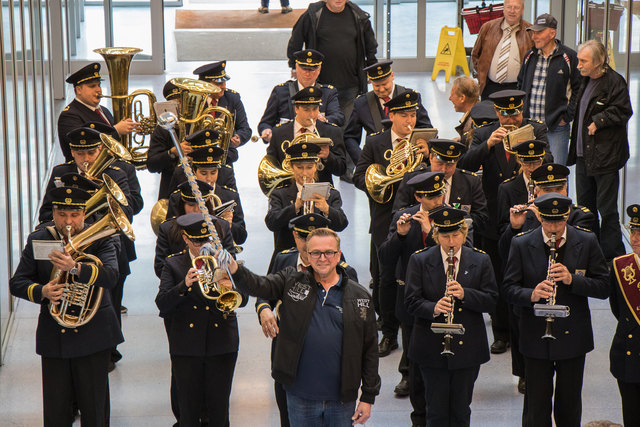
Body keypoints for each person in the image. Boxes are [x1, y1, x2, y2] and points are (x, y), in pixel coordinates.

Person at [223, 227, 380, 426]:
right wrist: (235, 269)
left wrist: (368, 396)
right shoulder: (291, 281)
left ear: (338, 254)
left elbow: (370, 349)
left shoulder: (359, 296)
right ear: (307, 255)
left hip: (342, 399)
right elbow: (258, 285)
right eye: (315, 252)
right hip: (300, 396)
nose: (322, 258)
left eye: (329, 252)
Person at [10, 186, 122, 426]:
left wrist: (76, 268)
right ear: (53, 213)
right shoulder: (39, 239)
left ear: (84, 214)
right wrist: (42, 291)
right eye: (62, 215)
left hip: (94, 336)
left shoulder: (100, 239)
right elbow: (17, 283)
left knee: (94, 410)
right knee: (56, 410)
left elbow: (112, 276)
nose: (68, 221)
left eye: (74, 215)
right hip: (55, 336)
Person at [502, 193, 609, 427]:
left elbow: (603, 287)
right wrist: (531, 294)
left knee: (569, 405)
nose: (554, 228)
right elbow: (508, 289)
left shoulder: (587, 240)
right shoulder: (521, 243)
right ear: (539, 218)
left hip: (573, 336)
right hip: (535, 334)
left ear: (567, 217)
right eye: (549, 222)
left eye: (559, 222)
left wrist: (573, 280)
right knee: (536, 407)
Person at [457, 89, 548, 355]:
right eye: (505, 114)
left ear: (522, 111)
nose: (511, 120)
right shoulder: (485, 132)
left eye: (516, 113)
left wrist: (528, 151)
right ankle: (501, 332)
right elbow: (464, 162)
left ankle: (526, 328)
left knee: (526, 273)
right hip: (494, 215)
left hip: (530, 217)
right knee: (496, 275)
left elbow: (550, 163)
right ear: (497, 114)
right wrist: (487, 146)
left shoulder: (536, 131)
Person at [255, 213, 358, 427]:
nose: (306, 244)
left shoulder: (338, 264)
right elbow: (265, 290)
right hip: (288, 347)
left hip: (327, 357)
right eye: (303, 237)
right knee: (288, 411)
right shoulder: (283, 258)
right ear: (294, 236)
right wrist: (264, 308)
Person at [404, 207, 498, 426]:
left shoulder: (480, 260)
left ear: (464, 234)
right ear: (436, 236)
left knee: (460, 410)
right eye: (445, 236)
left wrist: (466, 294)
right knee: (435, 411)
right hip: (430, 345)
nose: (451, 241)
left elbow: (492, 299)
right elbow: (410, 301)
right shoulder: (420, 260)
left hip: (467, 347)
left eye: (456, 235)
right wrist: (434, 308)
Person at [155, 212, 247, 427]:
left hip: (222, 342)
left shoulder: (225, 260)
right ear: (186, 239)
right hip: (187, 345)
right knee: (188, 410)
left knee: (219, 409)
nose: (202, 246)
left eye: (207, 240)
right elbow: (162, 304)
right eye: (197, 241)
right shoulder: (174, 264)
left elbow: (243, 300)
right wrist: (184, 285)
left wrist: (231, 284)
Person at [353, 90, 422, 359]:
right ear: (390, 115)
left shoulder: (421, 142)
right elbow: (360, 177)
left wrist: (425, 159)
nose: (410, 121)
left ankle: (412, 328)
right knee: (384, 278)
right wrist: (385, 180)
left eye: (413, 115)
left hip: (415, 220)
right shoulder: (376, 142)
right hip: (384, 218)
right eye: (404, 115)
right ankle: (389, 333)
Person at [379, 171, 446, 424]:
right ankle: (419, 416)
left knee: (443, 361)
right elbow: (385, 259)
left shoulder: (453, 218)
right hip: (412, 302)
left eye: (440, 194)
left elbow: (466, 254)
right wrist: (400, 235)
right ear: (419, 197)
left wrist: (431, 233)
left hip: (444, 301)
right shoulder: (402, 216)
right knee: (416, 361)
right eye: (432, 197)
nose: (439, 200)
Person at [567, 39, 632, 262]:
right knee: (586, 210)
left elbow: (624, 111)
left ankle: (613, 259)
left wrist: (600, 120)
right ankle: (591, 255)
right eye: (578, 60)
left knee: (607, 211)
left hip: (605, 159)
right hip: (584, 157)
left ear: (599, 62)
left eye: (583, 61)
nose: (578, 65)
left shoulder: (614, 82)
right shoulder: (585, 80)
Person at [286, 0, 378, 122]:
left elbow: (370, 45)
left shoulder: (359, 16)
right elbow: (296, 40)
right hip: (320, 87)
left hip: (351, 86)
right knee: (322, 128)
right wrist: (294, 65)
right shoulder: (313, 15)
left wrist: (372, 67)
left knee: (348, 129)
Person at [518, 14, 580, 165]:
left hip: (556, 128)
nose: (534, 37)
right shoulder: (530, 56)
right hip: (529, 126)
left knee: (556, 172)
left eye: (538, 32)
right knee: (530, 170)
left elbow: (579, 89)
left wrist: (566, 116)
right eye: (533, 32)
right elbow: (520, 84)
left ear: (552, 33)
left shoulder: (569, 57)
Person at [265, 142, 348, 257]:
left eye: (309, 167)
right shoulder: (279, 194)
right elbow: (271, 224)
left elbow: (342, 224)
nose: (304, 173)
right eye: (299, 167)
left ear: (316, 166)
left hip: (323, 257)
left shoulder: (331, 194)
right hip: (289, 256)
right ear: (291, 167)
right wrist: (295, 207)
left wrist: (327, 209)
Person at [393, 139, 489, 237]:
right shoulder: (413, 178)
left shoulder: (470, 181)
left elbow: (482, 219)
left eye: (449, 165)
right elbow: (398, 213)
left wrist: (454, 215)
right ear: (430, 158)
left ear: (457, 162)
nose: (443, 170)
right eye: (439, 164)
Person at [344, 60, 432, 166]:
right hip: (376, 161)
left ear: (392, 76)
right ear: (370, 81)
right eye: (376, 86)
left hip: (408, 160)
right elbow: (350, 137)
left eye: (385, 84)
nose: (381, 89)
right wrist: (363, 161)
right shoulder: (362, 103)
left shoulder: (411, 97)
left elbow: (426, 128)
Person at [166, 146, 247, 247]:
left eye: (213, 173)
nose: (209, 178)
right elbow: (169, 235)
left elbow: (242, 237)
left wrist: (229, 224)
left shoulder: (231, 196)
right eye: (203, 173)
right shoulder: (178, 197)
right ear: (194, 171)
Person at [57, 62, 139, 162]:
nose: (98, 90)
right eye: (92, 86)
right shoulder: (69, 116)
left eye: (99, 85)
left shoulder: (104, 110)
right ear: (78, 90)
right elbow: (84, 147)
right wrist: (117, 130)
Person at [258, 49, 344, 142]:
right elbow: (265, 122)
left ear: (319, 70)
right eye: (304, 69)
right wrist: (266, 130)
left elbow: (338, 117)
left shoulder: (328, 93)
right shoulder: (280, 92)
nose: (307, 73)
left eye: (312, 70)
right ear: (296, 67)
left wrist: (324, 119)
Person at [267, 86, 347, 184]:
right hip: (287, 190)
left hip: (320, 191)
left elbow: (341, 170)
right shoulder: (279, 132)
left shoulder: (332, 131)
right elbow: (271, 164)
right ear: (296, 109)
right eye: (306, 110)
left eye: (315, 109)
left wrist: (328, 156)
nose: (312, 115)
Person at [609, 204, 640, 427]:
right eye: (633, 231)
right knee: (631, 415)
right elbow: (618, 309)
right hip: (628, 357)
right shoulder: (620, 266)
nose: (635, 238)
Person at [471, 0, 533, 99]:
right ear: (503, 9)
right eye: (509, 7)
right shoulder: (488, 27)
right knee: (488, 114)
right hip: (489, 87)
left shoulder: (530, 31)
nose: (512, 11)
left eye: (516, 8)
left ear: (522, 10)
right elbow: (475, 54)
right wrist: (480, 75)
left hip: (517, 89)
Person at [193, 60, 252, 162]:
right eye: (218, 83)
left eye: (224, 82)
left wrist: (239, 137)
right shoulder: (194, 100)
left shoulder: (232, 98)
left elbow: (245, 129)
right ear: (205, 84)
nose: (223, 87)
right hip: (197, 153)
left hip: (225, 155)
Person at [450, 76, 480, 147]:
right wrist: (461, 139)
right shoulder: (479, 111)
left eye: (452, 95)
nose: (450, 98)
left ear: (462, 98)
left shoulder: (472, 123)